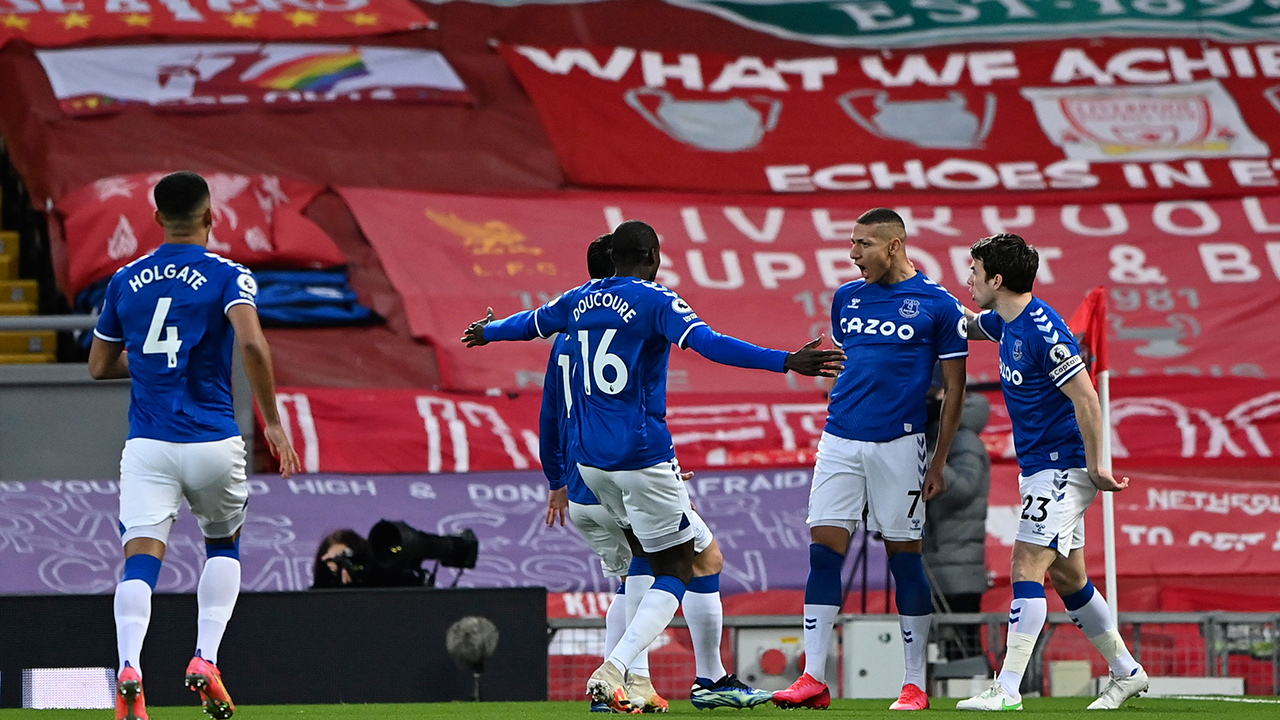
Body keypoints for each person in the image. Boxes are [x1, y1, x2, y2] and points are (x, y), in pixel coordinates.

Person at [464, 219, 844, 712]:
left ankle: (693, 679)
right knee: (676, 565)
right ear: (652, 257)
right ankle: (619, 669)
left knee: (665, 561)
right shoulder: (656, 300)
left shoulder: (578, 299)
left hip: (591, 467)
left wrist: (487, 332)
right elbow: (711, 344)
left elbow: (529, 323)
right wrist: (784, 361)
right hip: (641, 456)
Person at [89, 171, 301, 720]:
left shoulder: (123, 279)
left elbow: (99, 366)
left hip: (148, 448)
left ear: (157, 218)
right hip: (212, 441)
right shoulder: (230, 276)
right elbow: (252, 342)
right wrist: (272, 421)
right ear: (212, 217)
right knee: (223, 546)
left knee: (139, 564)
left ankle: (130, 668)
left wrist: (154, 362)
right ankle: (206, 657)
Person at [540, 234, 773, 712]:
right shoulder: (636, 314)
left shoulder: (567, 334)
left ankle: (635, 686)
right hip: (625, 471)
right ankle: (682, 676)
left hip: (584, 485)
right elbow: (705, 347)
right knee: (680, 565)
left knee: (644, 575)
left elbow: (549, 415)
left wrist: (555, 481)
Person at [772, 208, 968, 712]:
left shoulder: (938, 305)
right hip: (839, 440)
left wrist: (939, 461)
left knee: (904, 557)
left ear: (894, 246)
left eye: (862, 245)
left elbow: (954, 390)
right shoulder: (846, 297)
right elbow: (846, 360)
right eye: (852, 244)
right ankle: (813, 677)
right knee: (822, 552)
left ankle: (914, 683)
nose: (853, 254)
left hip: (900, 445)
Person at [956, 233, 1146, 711]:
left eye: (974, 271)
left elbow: (1086, 398)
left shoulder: (1043, 331)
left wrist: (1098, 466)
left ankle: (1007, 688)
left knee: (1026, 565)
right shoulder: (1007, 320)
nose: (968, 279)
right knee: (1068, 576)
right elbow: (973, 325)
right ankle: (1127, 672)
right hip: (1040, 467)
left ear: (997, 279)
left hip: (1062, 468)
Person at [922, 373, 991, 661]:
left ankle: (975, 689)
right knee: (944, 646)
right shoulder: (938, 436)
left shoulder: (963, 439)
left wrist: (925, 459)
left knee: (962, 650)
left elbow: (963, 489)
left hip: (958, 564)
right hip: (940, 558)